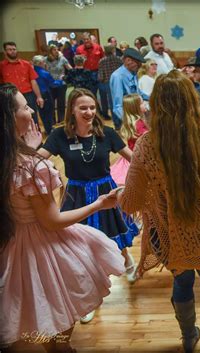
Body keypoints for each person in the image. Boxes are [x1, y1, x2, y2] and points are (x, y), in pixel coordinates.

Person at [117, 70, 200, 353]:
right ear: (192, 102)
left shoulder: (146, 145)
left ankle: (189, 337)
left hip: (170, 241)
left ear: (156, 105)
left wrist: (119, 194)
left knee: (182, 281)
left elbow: (130, 202)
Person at [0, 83, 125, 352]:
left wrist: (29, 148)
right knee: (57, 302)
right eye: (24, 106)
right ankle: (59, 347)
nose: (31, 109)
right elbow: (51, 221)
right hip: (40, 242)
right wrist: (100, 204)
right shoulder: (33, 165)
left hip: (12, 241)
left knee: (33, 304)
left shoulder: (11, 157)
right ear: (10, 118)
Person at [37, 88, 140, 323]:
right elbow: (36, 161)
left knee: (113, 234)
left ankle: (126, 259)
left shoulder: (107, 134)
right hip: (77, 193)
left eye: (92, 107)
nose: (89, 112)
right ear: (72, 110)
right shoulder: (59, 136)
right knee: (78, 246)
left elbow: (134, 159)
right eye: (83, 107)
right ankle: (88, 300)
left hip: (106, 191)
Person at [0, 41, 44, 126]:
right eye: (9, 49)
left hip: (28, 95)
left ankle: (36, 136)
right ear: (5, 52)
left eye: (14, 49)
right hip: (11, 96)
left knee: (32, 117)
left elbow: (33, 81)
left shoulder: (26, 64)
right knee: (15, 119)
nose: (12, 51)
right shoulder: (1, 66)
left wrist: (39, 97)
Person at [110, 93, 149, 185]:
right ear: (136, 107)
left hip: (132, 154)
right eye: (142, 102)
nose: (145, 104)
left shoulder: (133, 123)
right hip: (139, 157)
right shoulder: (139, 125)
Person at [110, 48, 147, 130]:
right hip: (127, 121)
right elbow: (117, 106)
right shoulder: (117, 77)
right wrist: (130, 123)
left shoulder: (133, 73)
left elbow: (138, 92)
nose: (140, 66)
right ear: (128, 60)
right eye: (138, 63)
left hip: (136, 116)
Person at [45, 44, 72, 124]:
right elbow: (42, 70)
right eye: (54, 49)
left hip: (61, 84)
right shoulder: (45, 60)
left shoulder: (62, 59)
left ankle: (62, 120)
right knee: (51, 104)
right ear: (50, 51)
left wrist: (66, 76)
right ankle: (52, 121)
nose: (57, 51)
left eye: (57, 49)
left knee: (61, 103)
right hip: (50, 85)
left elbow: (70, 69)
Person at [98, 44, 123, 121]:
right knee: (120, 101)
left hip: (107, 83)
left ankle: (116, 122)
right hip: (118, 82)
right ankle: (122, 119)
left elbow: (101, 76)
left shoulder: (102, 61)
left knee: (112, 103)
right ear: (113, 50)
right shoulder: (119, 59)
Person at [75, 32, 105, 96]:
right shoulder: (79, 49)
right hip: (85, 73)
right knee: (89, 92)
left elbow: (103, 59)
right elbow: (77, 62)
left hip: (97, 72)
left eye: (87, 39)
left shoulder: (98, 47)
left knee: (101, 92)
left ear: (90, 39)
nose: (86, 41)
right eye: (84, 39)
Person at [32, 55, 55, 135]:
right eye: (43, 62)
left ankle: (47, 128)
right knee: (48, 112)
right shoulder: (43, 72)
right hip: (45, 94)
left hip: (35, 94)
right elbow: (52, 83)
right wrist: (61, 82)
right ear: (40, 63)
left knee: (42, 113)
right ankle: (50, 129)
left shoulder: (32, 71)